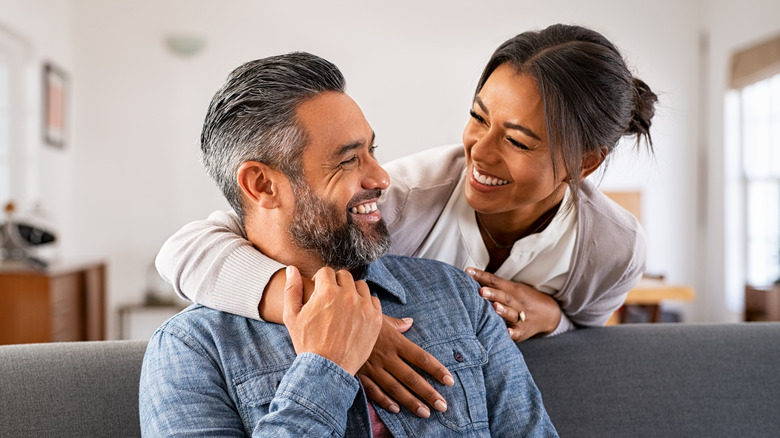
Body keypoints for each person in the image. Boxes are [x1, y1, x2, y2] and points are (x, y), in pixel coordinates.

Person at [156, 23, 657, 415]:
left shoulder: (613, 248)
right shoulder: (403, 196)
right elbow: (188, 249)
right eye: (478, 117)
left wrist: (554, 318)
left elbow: (588, 333)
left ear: (585, 162)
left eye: (518, 140)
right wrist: (337, 319)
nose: (479, 153)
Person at [139, 52, 558, 437]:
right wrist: (325, 369)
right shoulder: (191, 349)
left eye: (372, 150)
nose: (381, 178)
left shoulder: (456, 296)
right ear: (262, 185)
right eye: (348, 159)